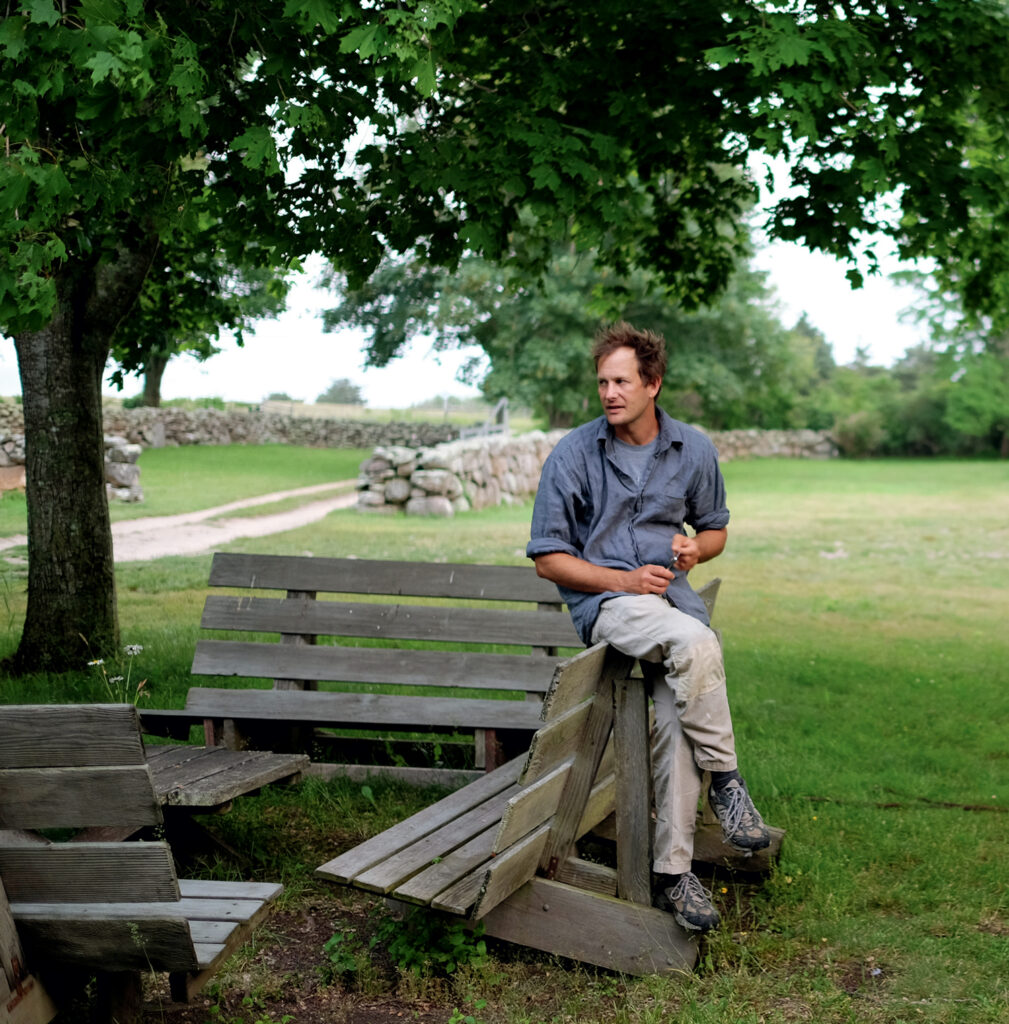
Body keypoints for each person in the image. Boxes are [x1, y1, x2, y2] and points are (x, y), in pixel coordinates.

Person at [526, 321, 770, 933]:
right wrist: (624, 582)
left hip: (672, 603)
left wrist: (694, 553)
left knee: (679, 730)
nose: (609, 392)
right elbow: (547, 558)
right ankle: (730, 783)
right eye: (603, 381)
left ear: (653, 384)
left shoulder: (693, 450)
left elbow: (714, 529)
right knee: (698, 641)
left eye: (622, 381)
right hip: (610, 605)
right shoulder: (574, 455)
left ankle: (672, 874)